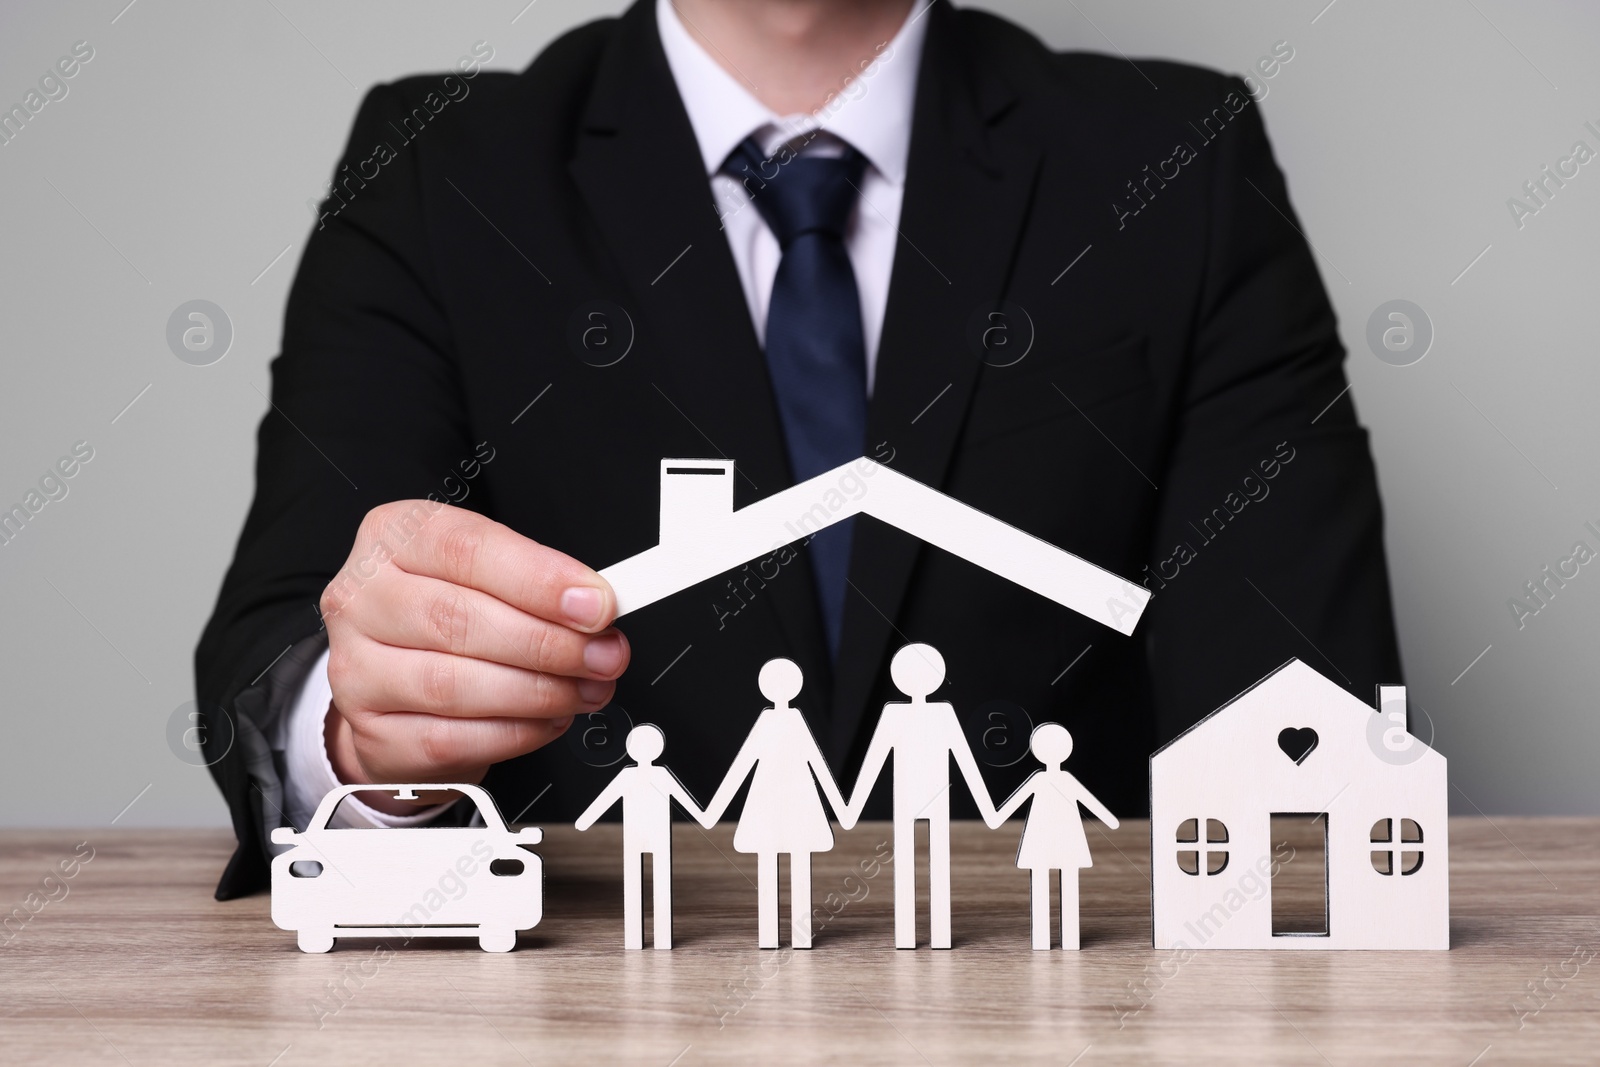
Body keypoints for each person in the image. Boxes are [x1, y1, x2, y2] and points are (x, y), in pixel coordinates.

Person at [196, 0, 1403, 899]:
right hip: (583, 1001)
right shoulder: (435, 173)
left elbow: (1299, 713)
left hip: (1068, 999)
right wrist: (365, 740)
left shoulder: (1178, 163)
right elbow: (283, 643)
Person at [842, 644, 996, 949]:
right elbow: (875, 759)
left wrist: (850, 811)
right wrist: (851, 808)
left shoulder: (940, 713)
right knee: (916, 864)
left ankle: (936, 935)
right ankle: (912, 936)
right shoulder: (901, 714)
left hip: (933, 797)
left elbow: (963, 758)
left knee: (935, 863)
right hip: (913, 798)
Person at [699, 658, 851, 949]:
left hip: (794, 800)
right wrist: (714, 809)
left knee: (790, 860)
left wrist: (841, 807)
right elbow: (744, 763)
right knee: (773, 860)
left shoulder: (791, 721)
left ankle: (798, 936)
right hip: (771, 802)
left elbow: (815, 763)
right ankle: (776, 935)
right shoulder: (772, 721)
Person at [986, 723, 1117, 950]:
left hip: (1056, 840)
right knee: (1056, 881)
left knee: (1057, 882)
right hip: (1051, 840)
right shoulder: (1051, 780)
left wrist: (994, 817)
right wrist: (1110, 821)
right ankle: (1052, 940)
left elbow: (1007, 809)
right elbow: (1094, 807)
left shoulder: (1055, 779)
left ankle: (1059, 940)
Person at [574, 724, 705, 949]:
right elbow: (606, 799)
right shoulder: (639, 775)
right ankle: (643, 938)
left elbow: (686, 802)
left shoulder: (655, 775)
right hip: (642, 837)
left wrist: (584, 822)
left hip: (654, 836)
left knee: (651, 884)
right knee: (641, 884)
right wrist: (705, 817)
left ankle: (654, 939)